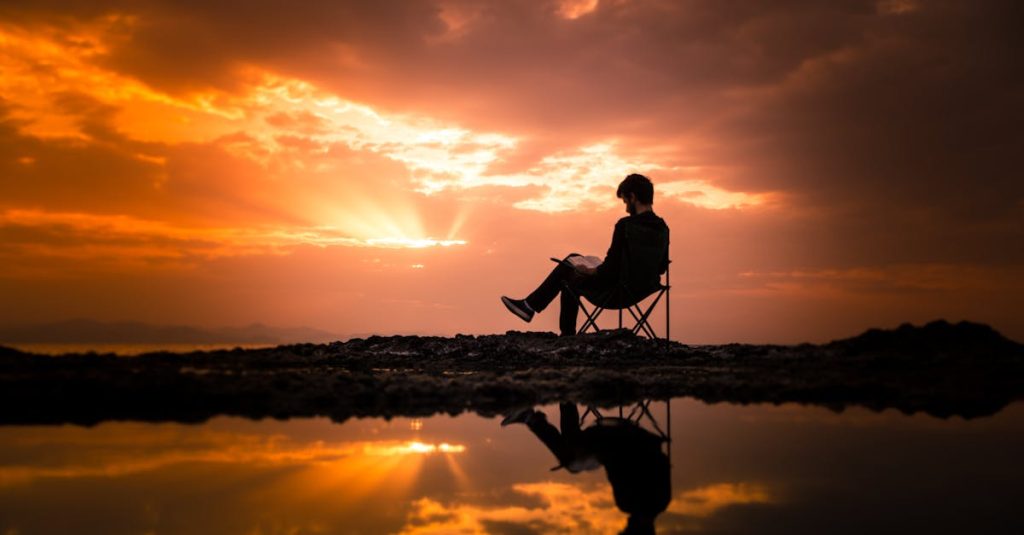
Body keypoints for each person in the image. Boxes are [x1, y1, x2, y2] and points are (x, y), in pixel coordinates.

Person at [501, 173, 670, 336]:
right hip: (643, 290)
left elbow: (609, 268)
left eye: (626, 201)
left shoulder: (625, 226)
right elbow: (662, 267)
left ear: (633, 197)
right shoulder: (663, 228)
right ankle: (530, 306)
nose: (626, 208)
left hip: (617, 291)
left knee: (569, 272)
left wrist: (590, 271)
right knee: (573, 262)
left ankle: (552, 323)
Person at [501, 403, 672, 535]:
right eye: (627, 530)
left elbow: (655, 461)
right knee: (573, 461)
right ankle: (532, 417)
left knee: (573, 451)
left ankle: (559, 402)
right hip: (620, 439)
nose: (626, 524)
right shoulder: (634, 503)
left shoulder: (658, 502)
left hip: (623, 442)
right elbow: (630, 464)